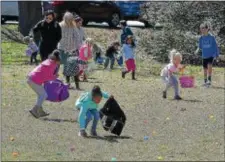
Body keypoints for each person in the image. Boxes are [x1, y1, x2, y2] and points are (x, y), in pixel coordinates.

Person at [27, 50, 61, 118]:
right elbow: (48, 76)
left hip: (31, 78)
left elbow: (45, 74)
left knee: (40, 95)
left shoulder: (48, 61)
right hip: (34, 80)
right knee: (44, 95)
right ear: (57, 60)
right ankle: (35, 109)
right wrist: (55, 77)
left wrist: (53, 77)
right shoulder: (52, 65)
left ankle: (40, 111)